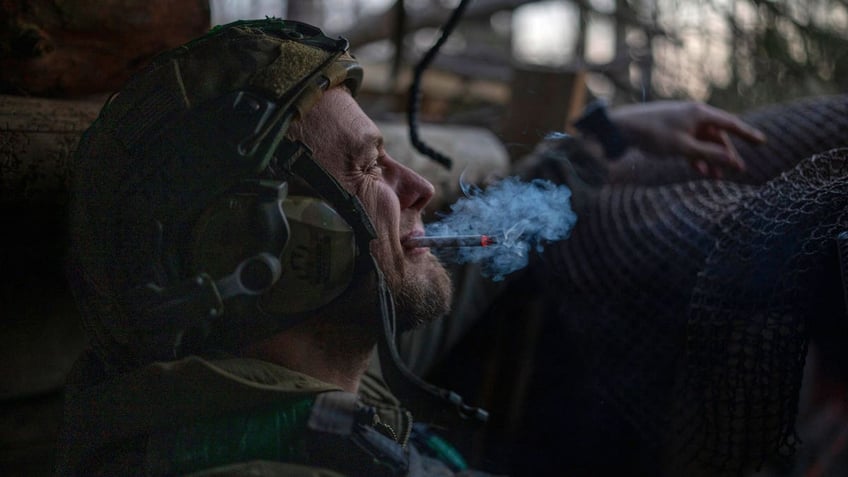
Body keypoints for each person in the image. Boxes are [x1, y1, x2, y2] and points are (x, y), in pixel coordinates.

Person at [55, 16, 776, 477]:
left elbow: (461, 279)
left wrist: (602, 139)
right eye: (370, 166)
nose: (418, 188)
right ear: (258, 241)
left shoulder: (301, 386)